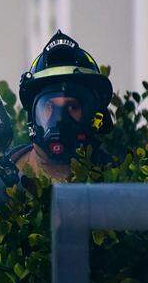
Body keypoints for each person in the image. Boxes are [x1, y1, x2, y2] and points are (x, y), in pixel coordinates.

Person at [10, 30, 114, 183]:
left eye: (72, 107)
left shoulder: (117, 181)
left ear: (94, 117)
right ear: (33, 117)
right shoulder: (0, 184)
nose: (59, 120)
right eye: (49, 107)